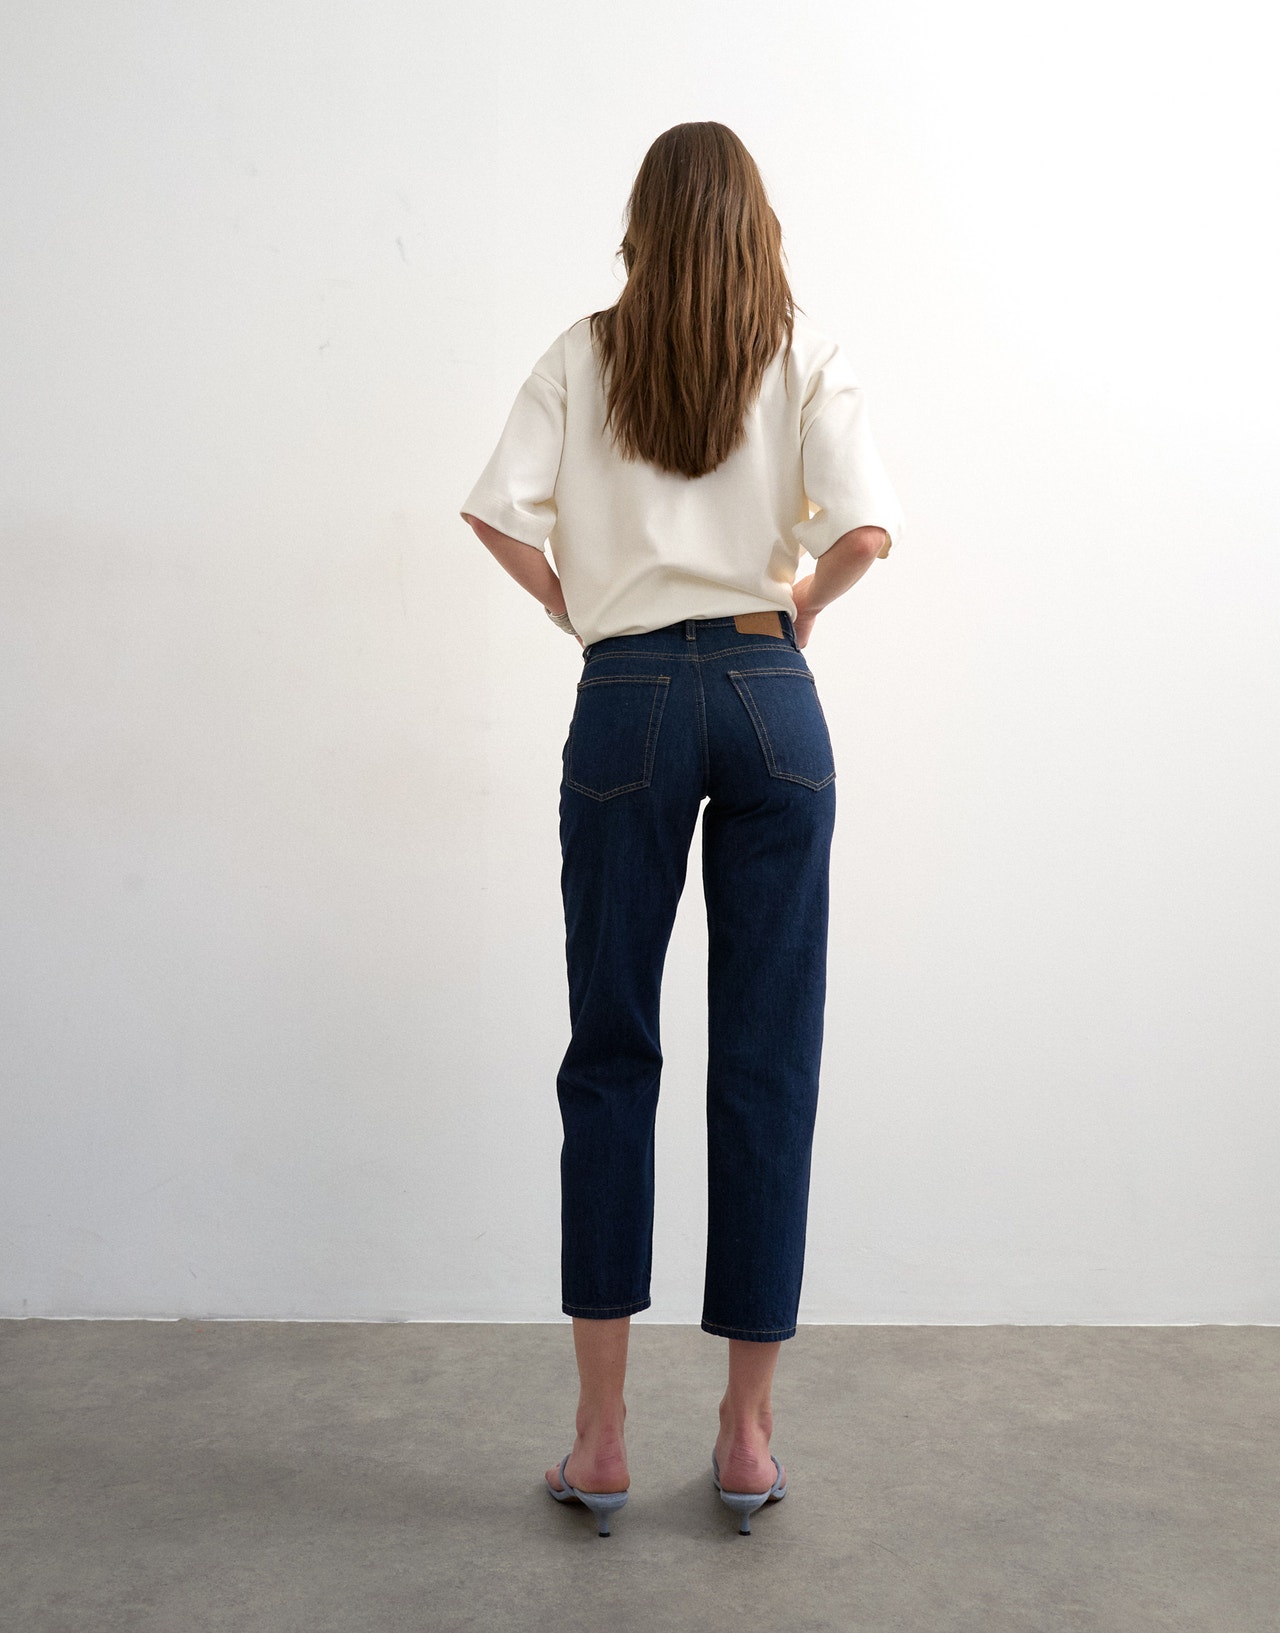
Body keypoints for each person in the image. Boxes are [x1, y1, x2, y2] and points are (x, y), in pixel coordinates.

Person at [460, 121, 904, 1537]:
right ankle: (748, 1435)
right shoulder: (802, 349)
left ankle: (600, 1440)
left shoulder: (584, 352)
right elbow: (866, 531)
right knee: (768, 1059)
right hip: (774, 697)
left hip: (629, 694)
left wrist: (579, 607)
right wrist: (797, 610)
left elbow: (495, 512)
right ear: (759, 224)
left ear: (642, 226)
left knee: (610, 1051)